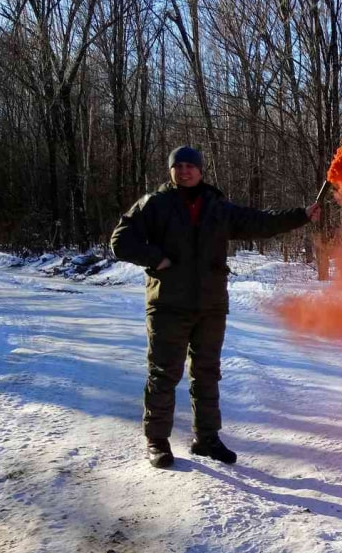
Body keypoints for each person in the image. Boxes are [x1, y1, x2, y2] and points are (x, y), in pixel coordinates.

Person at [111, 145, 320, 468]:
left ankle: (206, 439)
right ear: (171, 171)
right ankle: (157, 441)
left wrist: (301, 215)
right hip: (168, 305)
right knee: (164, 373)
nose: (184, 171)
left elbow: (258, 222)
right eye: (178, 166)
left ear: (200, 170)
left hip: (210, 305)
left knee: (207, 373)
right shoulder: (155, 204)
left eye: (190, 166)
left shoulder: (216, 206)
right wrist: (157, 258)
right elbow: (120, 241)